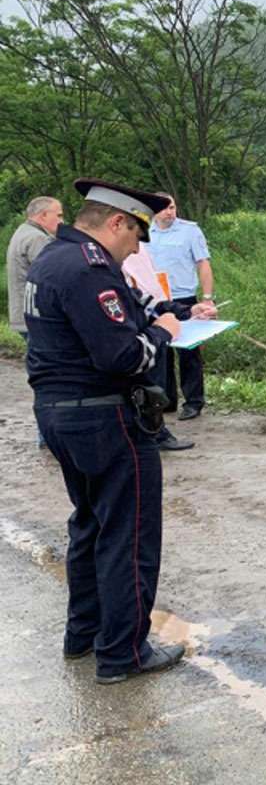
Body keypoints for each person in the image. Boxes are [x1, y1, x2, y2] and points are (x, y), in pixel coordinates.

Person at [24, 177, 213, 684]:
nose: (137, 248)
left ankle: (82, 635)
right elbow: (123, 353)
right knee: (127, 535)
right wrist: (164, 334)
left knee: (89, 524)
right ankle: (123, 653)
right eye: (135, 237)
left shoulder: (55, 259)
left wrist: (176, 312)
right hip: (104, 418)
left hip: (61, 413)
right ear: (116, 223)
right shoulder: (89, 271)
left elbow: (126, 314)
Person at [122, 242, 200, 451]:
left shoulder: (134, 255)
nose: (136, 248)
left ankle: (156, 432)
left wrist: (188, 311)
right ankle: (152, 435)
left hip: (150, 330)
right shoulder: (104, 272)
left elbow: (148, 300)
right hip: (135, 336)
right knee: (146, 387)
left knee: (154, 385)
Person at [146, 193, 214, 420]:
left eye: (172, 207)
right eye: (164, 208)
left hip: (184, 299)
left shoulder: (190, 231)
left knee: (189, 353)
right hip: (155, 300)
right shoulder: (144, 232)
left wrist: (207, 297)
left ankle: (193, 401)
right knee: (160, 350)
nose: (169, 212)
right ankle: (166, 400)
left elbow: (203, 263)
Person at [7, 197, 63, 446]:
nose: (62, 221)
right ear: (42, 216)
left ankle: (47, 435)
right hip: (37, 320)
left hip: (23, 317)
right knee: (51, 379)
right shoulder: (37, 239)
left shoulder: (23, 232)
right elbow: (54, 276)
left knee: (42, 376)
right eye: (58, 215)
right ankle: (50, 437)